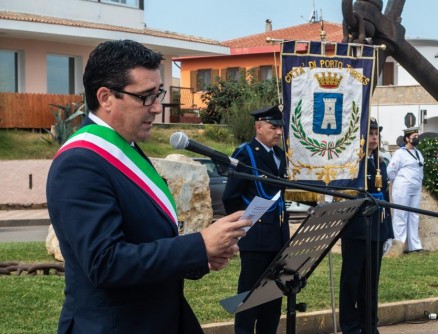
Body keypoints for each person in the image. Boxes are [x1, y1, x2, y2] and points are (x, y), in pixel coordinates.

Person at [46, 40, 250, 334]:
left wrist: (200, 258)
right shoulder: (79, 164)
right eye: (145, 97)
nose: (157, 108)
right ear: (105, 97)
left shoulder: (126, 148)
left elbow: (147, 238)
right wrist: (199, 244)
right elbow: (106, 263)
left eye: (158, 94)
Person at [222, 105, 289, 334]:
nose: (279, 132)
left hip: (279, 234)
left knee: (273, 294)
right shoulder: (246, 153)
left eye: (281, 128)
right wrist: (242, 226)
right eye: (274, 127)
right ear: (258, 127)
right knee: (249, 294)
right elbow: (231, 195)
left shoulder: (280, 155)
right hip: (256, 234)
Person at [339, 118, 393, 334]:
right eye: (370, 133)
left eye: (376, 133)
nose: (374, 137)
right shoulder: (353, 162)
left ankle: (369, 325)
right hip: (356, 229)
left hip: (376, 229)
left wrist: (387, 231)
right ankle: (350, 327)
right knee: (351, 282)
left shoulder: (381, 163)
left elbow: (387, 199)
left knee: (371, 283)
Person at [387, 127, 424, 253]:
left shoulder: (418, 153)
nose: (416, 138)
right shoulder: (400, 153)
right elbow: (390, 171)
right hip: (403, 188)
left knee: (414, 216)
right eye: (414, 136)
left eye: (418, 136)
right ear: (407, 138)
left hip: (416, 188)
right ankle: (399, 246)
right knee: (400, 215)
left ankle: (414, 246)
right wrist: (398, 181)